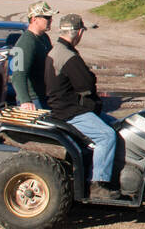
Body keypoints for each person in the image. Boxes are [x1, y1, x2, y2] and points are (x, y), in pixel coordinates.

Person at [46, 12, 118, 191]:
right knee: (106, 136)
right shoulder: (68, 56)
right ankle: (99, 184)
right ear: (79, 33)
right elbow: (85, 84)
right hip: (70, 111)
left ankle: (110, 172)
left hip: (64, 107)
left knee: (118, 125)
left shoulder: (57, 51)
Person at [11, 0, 56, 109]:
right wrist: (25, 100)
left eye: (50, 17)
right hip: (33, 100)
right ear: (34, 19)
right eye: (46, 17)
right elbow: (17, 75)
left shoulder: (44, 38)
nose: (50, 20)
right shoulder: (25, 42)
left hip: (45, 96)